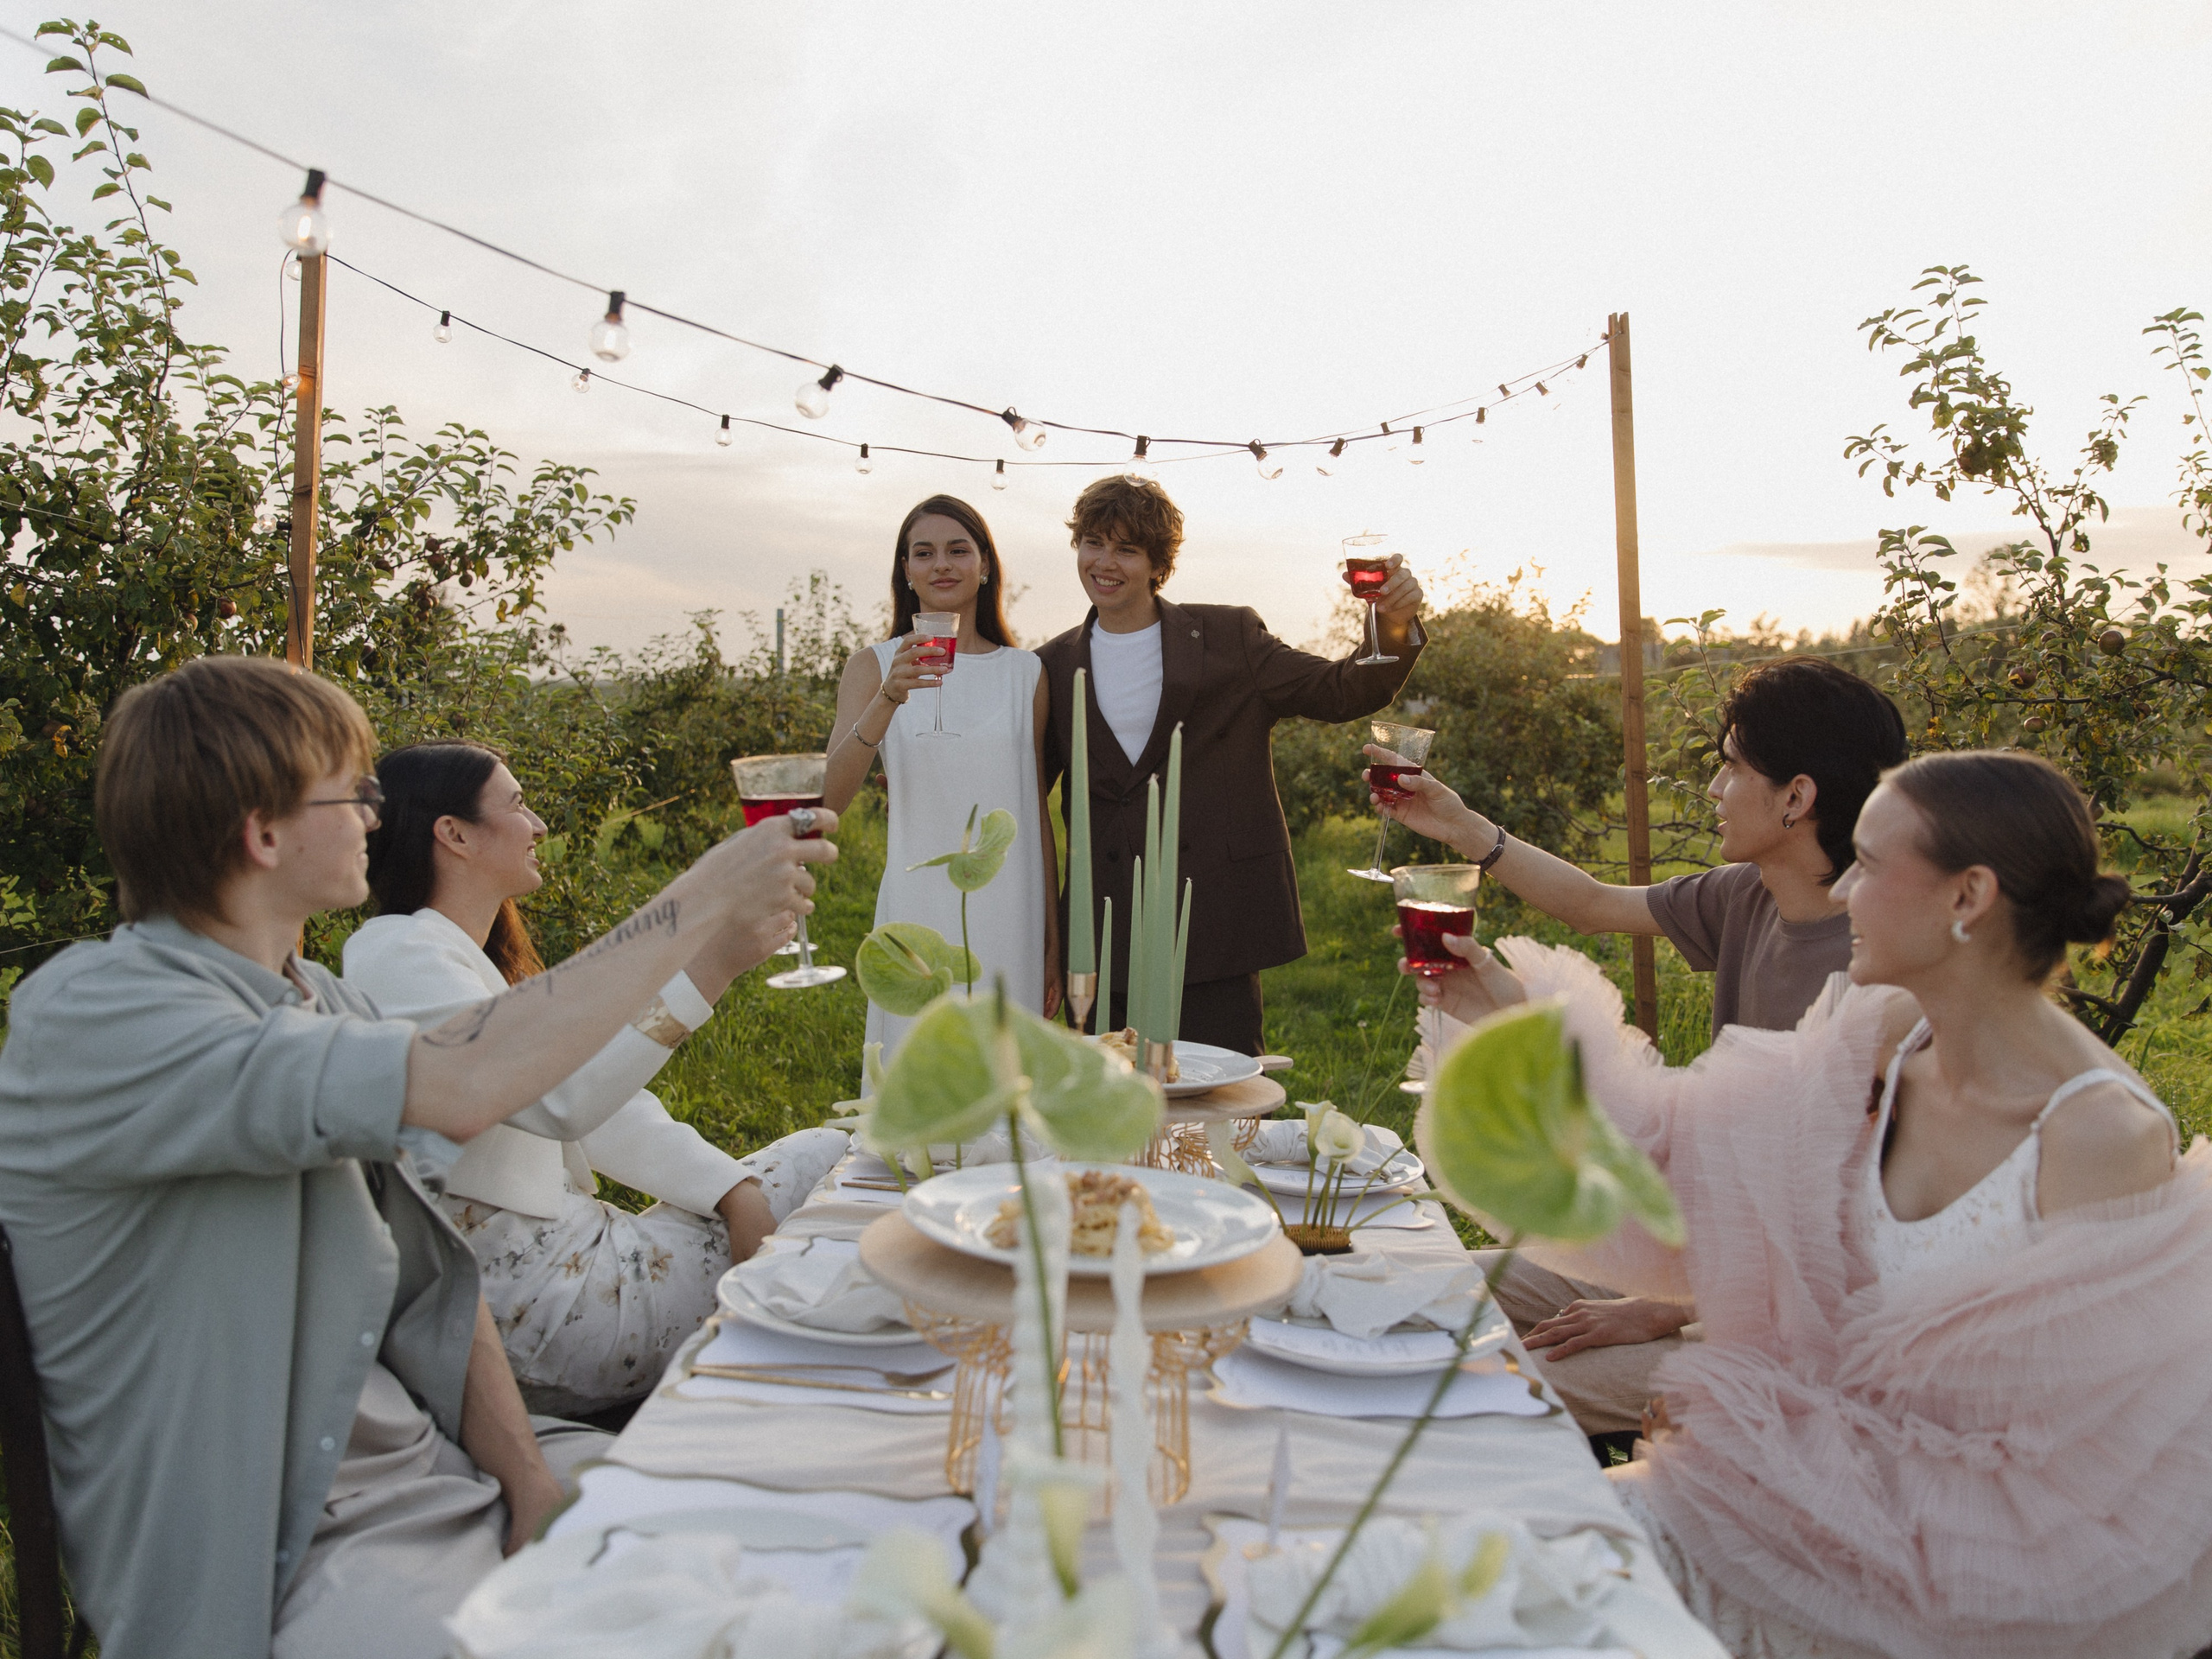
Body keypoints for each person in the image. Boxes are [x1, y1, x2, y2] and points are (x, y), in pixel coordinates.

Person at [0, 655, 833, 1659]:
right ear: (262, 834)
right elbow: (473, 1086)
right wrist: (697, 901)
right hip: (284, 1540)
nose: (372, 814)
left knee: (794, 1554)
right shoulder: (101, 1016)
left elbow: (432, 1282)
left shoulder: (324, 997)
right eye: (351, 791)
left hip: (437, 1473)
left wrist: (528, 1480)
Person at [1416, 750, 2212, 1659]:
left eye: (1869, 865)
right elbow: (1687, 1157)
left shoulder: (2098, 1139)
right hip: (1803, 1504)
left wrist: (1760, 1429)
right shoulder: (1885, 1033)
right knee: (1468, 1563)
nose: (1840, 896)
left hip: (1952, 1590)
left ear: (1968, 897)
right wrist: (1510, 1017)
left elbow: (2066, 1487)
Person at [1377, 655, 1906, 1437]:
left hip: (1794, 1322)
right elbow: (1591, 904)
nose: (1717, 791)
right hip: (1683, 1247)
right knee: (1421, 1294)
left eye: (1731, 767)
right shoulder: (1747, 896)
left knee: (1502, 1385)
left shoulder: (1879, 969)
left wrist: (1660, 1309)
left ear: (1797, 797)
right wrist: (1461, 828)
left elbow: (1844, 1220)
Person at [342, 741, 849, 1416]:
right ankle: (834, 1390)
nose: (538, 825)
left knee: (830, 1167)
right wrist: (711, 964)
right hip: (541, 1313)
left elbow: (593, 1099)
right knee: (838, 1162)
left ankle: (809, 1374)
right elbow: (560, 1103)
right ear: (454, 834)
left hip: (555, 1282)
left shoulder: (447, 955)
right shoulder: (397, 954)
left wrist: (732, 1189)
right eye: (518, 805)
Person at [1039, 474, 1425, 1054]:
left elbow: (1339, 691)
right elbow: (1019, 792)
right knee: (1111, 1114)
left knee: (1220, 1107)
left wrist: (1392, 621)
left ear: (1157, 563)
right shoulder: (1050, 663)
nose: (1104, 562)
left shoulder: (1228, 637)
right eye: (1093, 542)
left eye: (1127, 548)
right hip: (1104, 928)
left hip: (1212, 920)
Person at [826, 494, 1058, 1052]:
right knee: (925, 1072)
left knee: (1006, 1075)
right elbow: (826, 801)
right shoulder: (874, 666)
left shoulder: (1025, 674)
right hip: (918, 906)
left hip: (1012, 911)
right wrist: (886, 700)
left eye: (958, 550)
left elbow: (1034, 812)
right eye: (924, 553)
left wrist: (1052, 935)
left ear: (985, 566)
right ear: (906, 571)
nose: (942, 565)